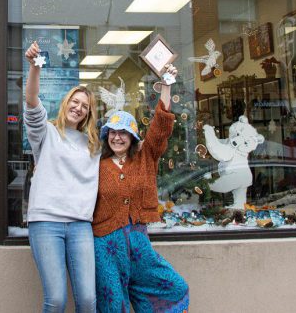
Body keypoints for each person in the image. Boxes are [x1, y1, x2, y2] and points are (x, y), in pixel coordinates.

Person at [93, 63, 189, 313]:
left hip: (138, 241)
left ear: (133, 137)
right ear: (106, 136)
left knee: (174, 286)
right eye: (112, 132)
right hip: (105, 244)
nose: (117, 137)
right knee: (113, 303)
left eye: (124, 133)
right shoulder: (97, 165)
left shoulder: (146, 156)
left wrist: (166, 86)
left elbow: (160, 128)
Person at [22, 40, 101, 312]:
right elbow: (32, 102)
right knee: (55, 300)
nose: (78, 107)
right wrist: (34, 67)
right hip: (46, 223)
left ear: (89, 114)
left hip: (80, 226)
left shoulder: (94, 146)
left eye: (85, 106)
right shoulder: (46, 133)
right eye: (75, 101)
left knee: (88, 300)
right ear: (66, 102)